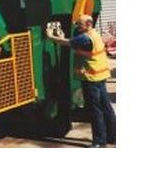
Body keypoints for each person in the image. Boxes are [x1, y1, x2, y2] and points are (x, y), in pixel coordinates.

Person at [46, 15, 116, 148]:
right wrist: (62, 36)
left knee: (95, 111)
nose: (77, 26)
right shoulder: (94, 34)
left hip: (91, 79)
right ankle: (113, 136)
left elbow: (68, 43)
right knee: (106, 107)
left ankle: (99, 142)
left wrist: (51, 36)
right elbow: (77, 45)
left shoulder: (85, 38)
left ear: (88, 24)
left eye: (80, 24)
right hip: (100, 77)